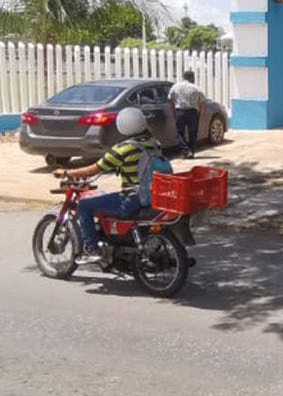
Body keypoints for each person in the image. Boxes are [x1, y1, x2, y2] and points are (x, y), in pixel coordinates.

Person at [53, 107, 160, 264]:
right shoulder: (154, 144)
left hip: (131, 200)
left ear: (122, 126)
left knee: (84, 205)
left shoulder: (123, 149)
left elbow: (94, 169)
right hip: (152, 196)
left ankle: (92, 248)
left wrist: (67, 173)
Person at [168, 70, 205, 159]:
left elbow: (170, 99)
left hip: (180, 111)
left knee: (180, 133)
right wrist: (201, 114)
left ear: (184, 77)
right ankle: (191, 151)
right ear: (191, 77)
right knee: (193, 133)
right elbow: (202, 102)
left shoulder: (175, 87)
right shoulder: (196, 88)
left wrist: (173, 111)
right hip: (193, 112)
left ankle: (186, 151)